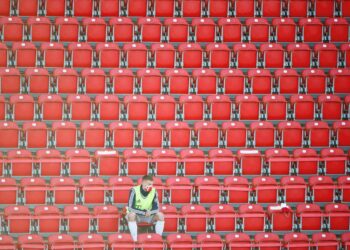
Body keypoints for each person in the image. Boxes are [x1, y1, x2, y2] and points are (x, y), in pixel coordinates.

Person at [126, 175, 164, 242]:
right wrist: (144, 212)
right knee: (131, 215)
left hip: (148, 215)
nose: (150, 186)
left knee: (160, 215)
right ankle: (135, 241)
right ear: (143, 183)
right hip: (136, 215)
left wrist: (150, 212)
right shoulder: (134, 190)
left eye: (152, 184)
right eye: (149, 184)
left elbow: (157, 208)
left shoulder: (154, 191)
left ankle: (159, 239)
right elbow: (130, 208)